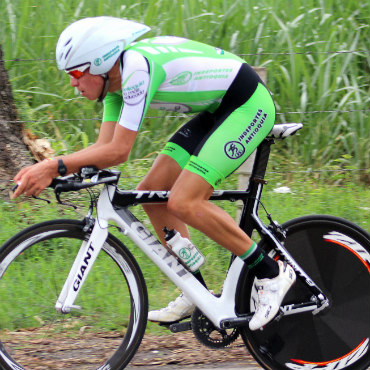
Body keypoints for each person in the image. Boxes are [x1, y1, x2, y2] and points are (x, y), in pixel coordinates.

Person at [12, 16, 296, 331]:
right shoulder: (114, 85)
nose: (72, 83)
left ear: (102, 64)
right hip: (218, 110)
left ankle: (271, 272)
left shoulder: (136, 71)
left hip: (247, 105)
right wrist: (59, 171)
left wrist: (53, 165)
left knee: (184, 201)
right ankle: (196, 290)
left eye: (77, 73)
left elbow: (120, 151)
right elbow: (104, 149)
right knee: (153, 194)